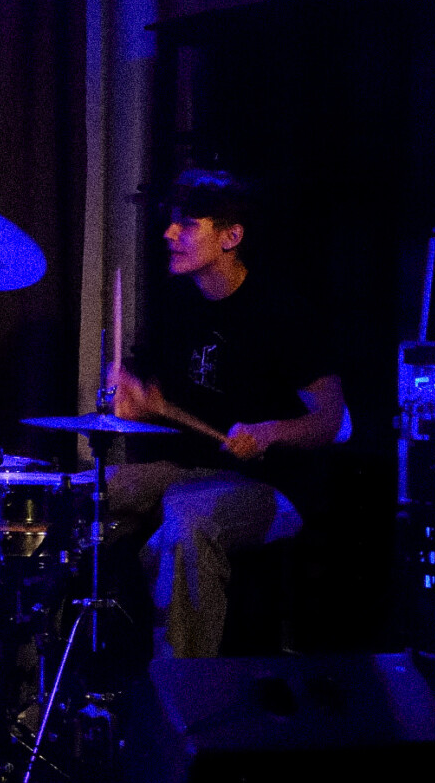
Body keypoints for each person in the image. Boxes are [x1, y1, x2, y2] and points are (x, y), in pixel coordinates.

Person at [108, 169, 344, 660]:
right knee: (86, 495)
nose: (169, 233)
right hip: (187, 471)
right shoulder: (176, 308)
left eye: (187, 224)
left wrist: (268, 432)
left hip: (274, 486)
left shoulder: (283, 313)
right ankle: (44, 673)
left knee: (187, 520)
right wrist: (135, 400)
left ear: (231, 237)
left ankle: (183, 686)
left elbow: (330, 420)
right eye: (171, 222)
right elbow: (149, 398)